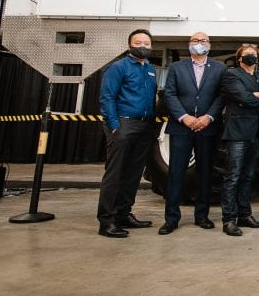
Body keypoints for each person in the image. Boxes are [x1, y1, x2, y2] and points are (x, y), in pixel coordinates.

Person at [158, 31, 227, 235]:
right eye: (195, 41)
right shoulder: (177, 67)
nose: (199, 44)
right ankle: (171, 218)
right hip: (181, 128)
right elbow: (169, 94)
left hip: (208, 128)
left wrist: (209, 117)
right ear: (189, 45)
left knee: (205, 173)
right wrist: (184, 117)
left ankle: (202, 216)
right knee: (176, 173)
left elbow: (222, 96)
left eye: (203, 41)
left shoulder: (220, 68)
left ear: (210, 45)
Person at [96, 29, 159, 238]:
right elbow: (107, 97)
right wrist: (114, 125)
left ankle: (123, 214)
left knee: (133, 174)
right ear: (129, 45)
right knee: (115, 174)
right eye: (138, 42)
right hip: (124, 125)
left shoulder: (149, 69)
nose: (143, 46)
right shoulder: (118, 67)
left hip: (144, 126)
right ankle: (106, 221)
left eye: (147, 43)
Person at [219, 44, 259, 237]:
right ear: (239, 58)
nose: (251, 57)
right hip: (238, 133)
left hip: (258, 133)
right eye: (247, 55)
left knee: (248, 176)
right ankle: (229, 219)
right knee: (233, 176)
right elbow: (241, 96)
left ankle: (245, 214)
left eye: (253, 55)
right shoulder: (232, 75)